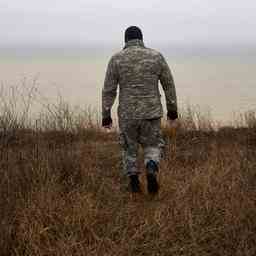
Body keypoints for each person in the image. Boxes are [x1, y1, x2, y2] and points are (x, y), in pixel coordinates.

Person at [102, 26, 178, 194]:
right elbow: (168, 85)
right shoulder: (156, 57)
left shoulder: (116, 59)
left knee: (129, 148)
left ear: (125, 40)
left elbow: (109, 90)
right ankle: (151, 167)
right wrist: (172, 110)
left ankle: (134, 181)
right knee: (152, 145)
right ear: (142, 39)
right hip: (151, 113)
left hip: (128, 115)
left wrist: (106, 115)